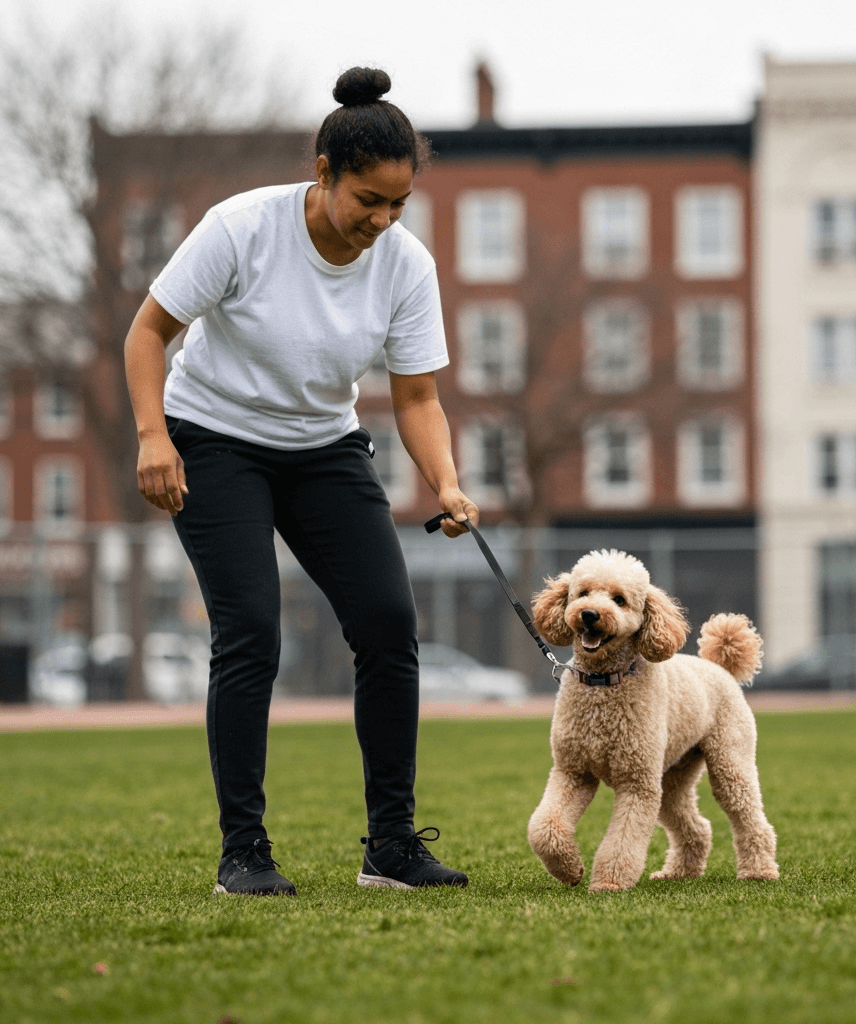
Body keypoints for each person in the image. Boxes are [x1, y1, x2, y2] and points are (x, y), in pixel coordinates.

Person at [123, 67, 478, 895]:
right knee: (251, 630)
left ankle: (390, 847)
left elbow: (418, 395)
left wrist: (448, 483)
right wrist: (152, 437)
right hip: (214, 440)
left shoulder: (404, 264)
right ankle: (242, 853)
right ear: (324, 173)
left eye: (398, 205)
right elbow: (148, 333)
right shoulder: (241, 228)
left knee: (390, 625)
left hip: (324, 448)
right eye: (369, 201)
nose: (383, 221)